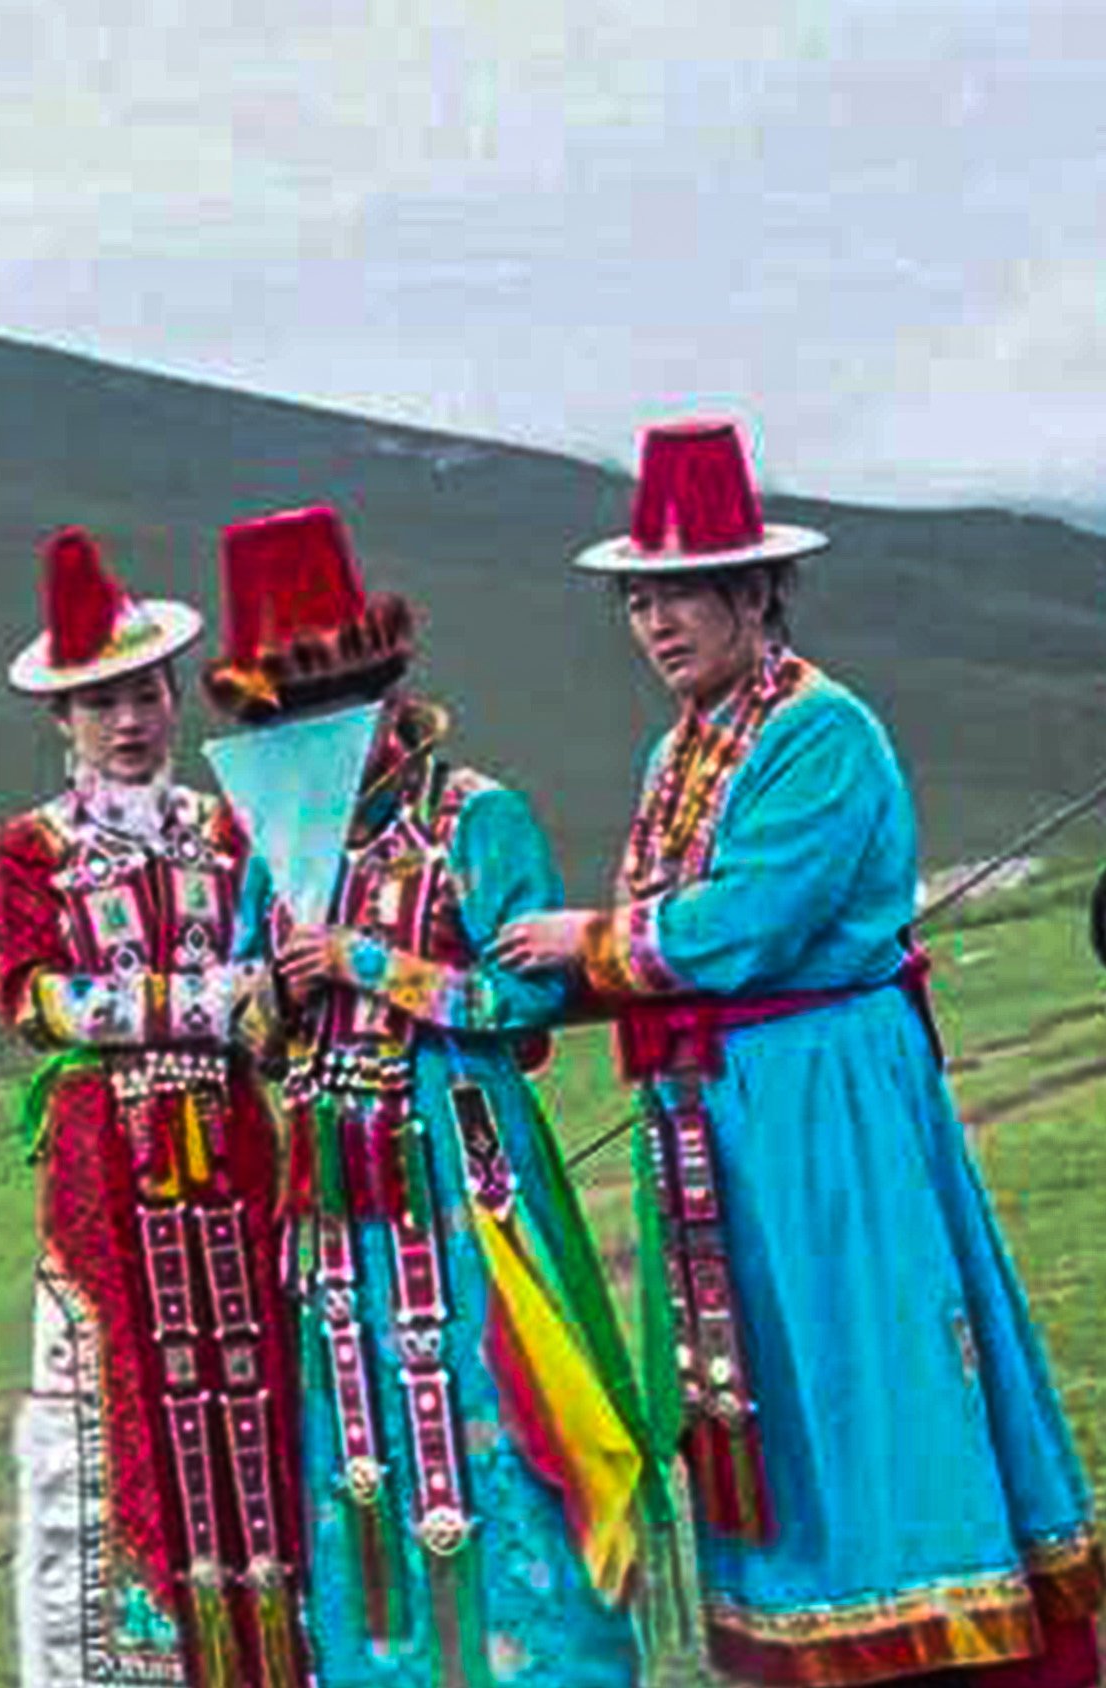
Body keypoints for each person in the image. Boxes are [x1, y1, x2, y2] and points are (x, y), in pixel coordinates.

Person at [494, 418, 1101, 1688]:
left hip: (826, 1097)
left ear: (756, 590)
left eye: (684, 597)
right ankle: (808, 1631)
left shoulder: (822, 733)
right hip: (724, 1109)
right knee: (761, 1374)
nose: (660, 626)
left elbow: (741, 927)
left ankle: (920, 1620)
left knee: (860, 1349)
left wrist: (582, 940)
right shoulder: (681, 748)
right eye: (640, 603)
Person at [206, 506, 649, 1688]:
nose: (307, 736)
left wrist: (368, 964)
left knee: (493, 1414)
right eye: (281, 720)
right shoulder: (275, 847)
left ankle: (552, 1668)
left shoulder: (475, 815)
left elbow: (530, 1001)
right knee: (360, 1442)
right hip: (330, 1197)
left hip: (464, 1181)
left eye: (328, 707)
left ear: (383, 686)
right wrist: (275, 997)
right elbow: (250, 1023)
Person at [0, 527, 308, 1688]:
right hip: (106, 1170)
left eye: (146, 693)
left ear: (174, 700)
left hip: (234, 1152)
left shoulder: (233, 831)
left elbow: (276, 993)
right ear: (63, 720)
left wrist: (244, 1006)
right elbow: (35, 997)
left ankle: (284, 1649)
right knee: (119, 1398)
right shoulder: (30, 851)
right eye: (100, 700)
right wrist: (206, 1000)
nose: (129, 720)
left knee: (263, 1376)